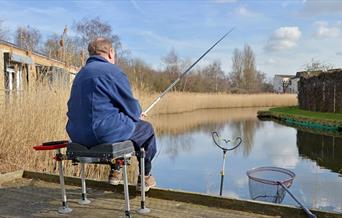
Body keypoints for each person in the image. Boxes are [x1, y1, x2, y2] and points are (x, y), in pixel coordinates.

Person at [66, 37, 157, 190]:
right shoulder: (112, 71)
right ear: (110, 53)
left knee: (123, 126)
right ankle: (145, 177)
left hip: (76, 135)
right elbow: (132, 108)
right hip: (102, 134)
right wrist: (136, 115)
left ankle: (116, 171)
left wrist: (130, 117)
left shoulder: (80, 75)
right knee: (146, 130)